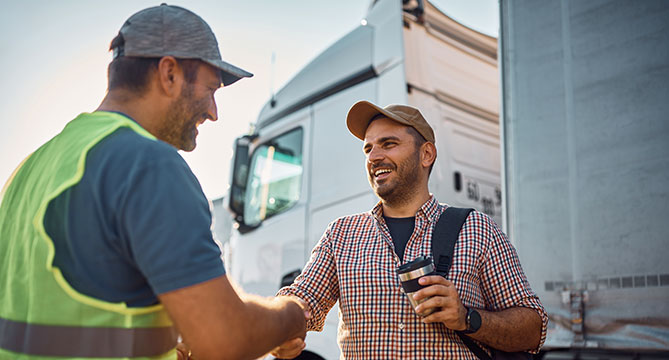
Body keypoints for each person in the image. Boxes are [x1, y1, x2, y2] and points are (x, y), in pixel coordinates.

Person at [0, 5, 307, 360]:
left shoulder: (29, 169)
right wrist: (291, 315)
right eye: (211, 89)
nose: (213, 111)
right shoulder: (147, 164)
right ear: (169, 73)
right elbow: (225, 339)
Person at [272, 101, 548, 359]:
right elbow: (303, 299)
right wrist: (280, 326)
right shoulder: (341, 234)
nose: (374, 157)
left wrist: (466, 317)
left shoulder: (476, 229)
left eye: (388, 144)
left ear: (426, 154)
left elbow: (533, 330)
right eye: (368, 149)